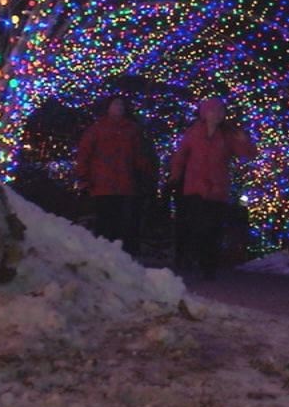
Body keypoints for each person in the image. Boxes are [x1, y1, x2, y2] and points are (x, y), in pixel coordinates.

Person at [169, 97, 257, 279]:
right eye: (213, 111)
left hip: (217, 188)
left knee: (213, 228)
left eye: (220, 111)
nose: (217, 114)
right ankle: (193, 260)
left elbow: (247, 154)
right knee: (196, 226)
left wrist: (244, 141)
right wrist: (175, 176)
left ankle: (208, 266)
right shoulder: (194, 132)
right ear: (205, 113)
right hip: (195, 186)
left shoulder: (227, 135)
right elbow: (181, 155)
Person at [74, 96, 148, 249]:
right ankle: (104, 250)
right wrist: (83, 176)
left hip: (124, 183)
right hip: (102, 183)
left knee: (121, 221)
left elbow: (138, 155)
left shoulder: (131, 130)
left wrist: (142, 174)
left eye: (121, 104)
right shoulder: (97, 129)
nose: (119, 107)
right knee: (105, 220)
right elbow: (84, 154)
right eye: (115, 104)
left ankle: (119, 251)